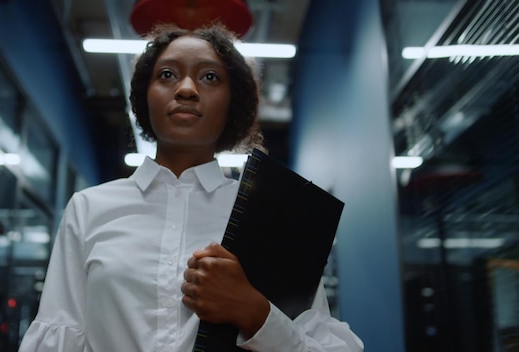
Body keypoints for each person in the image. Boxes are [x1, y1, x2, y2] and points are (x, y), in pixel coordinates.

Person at [19, 22, 364, 352]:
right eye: (167, 75)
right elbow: (59, 334)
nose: (186, 89)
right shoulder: (89, 208)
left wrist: (254, 311)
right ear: (145, 96)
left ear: (233, 102)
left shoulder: (272, 216)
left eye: (210, 77)